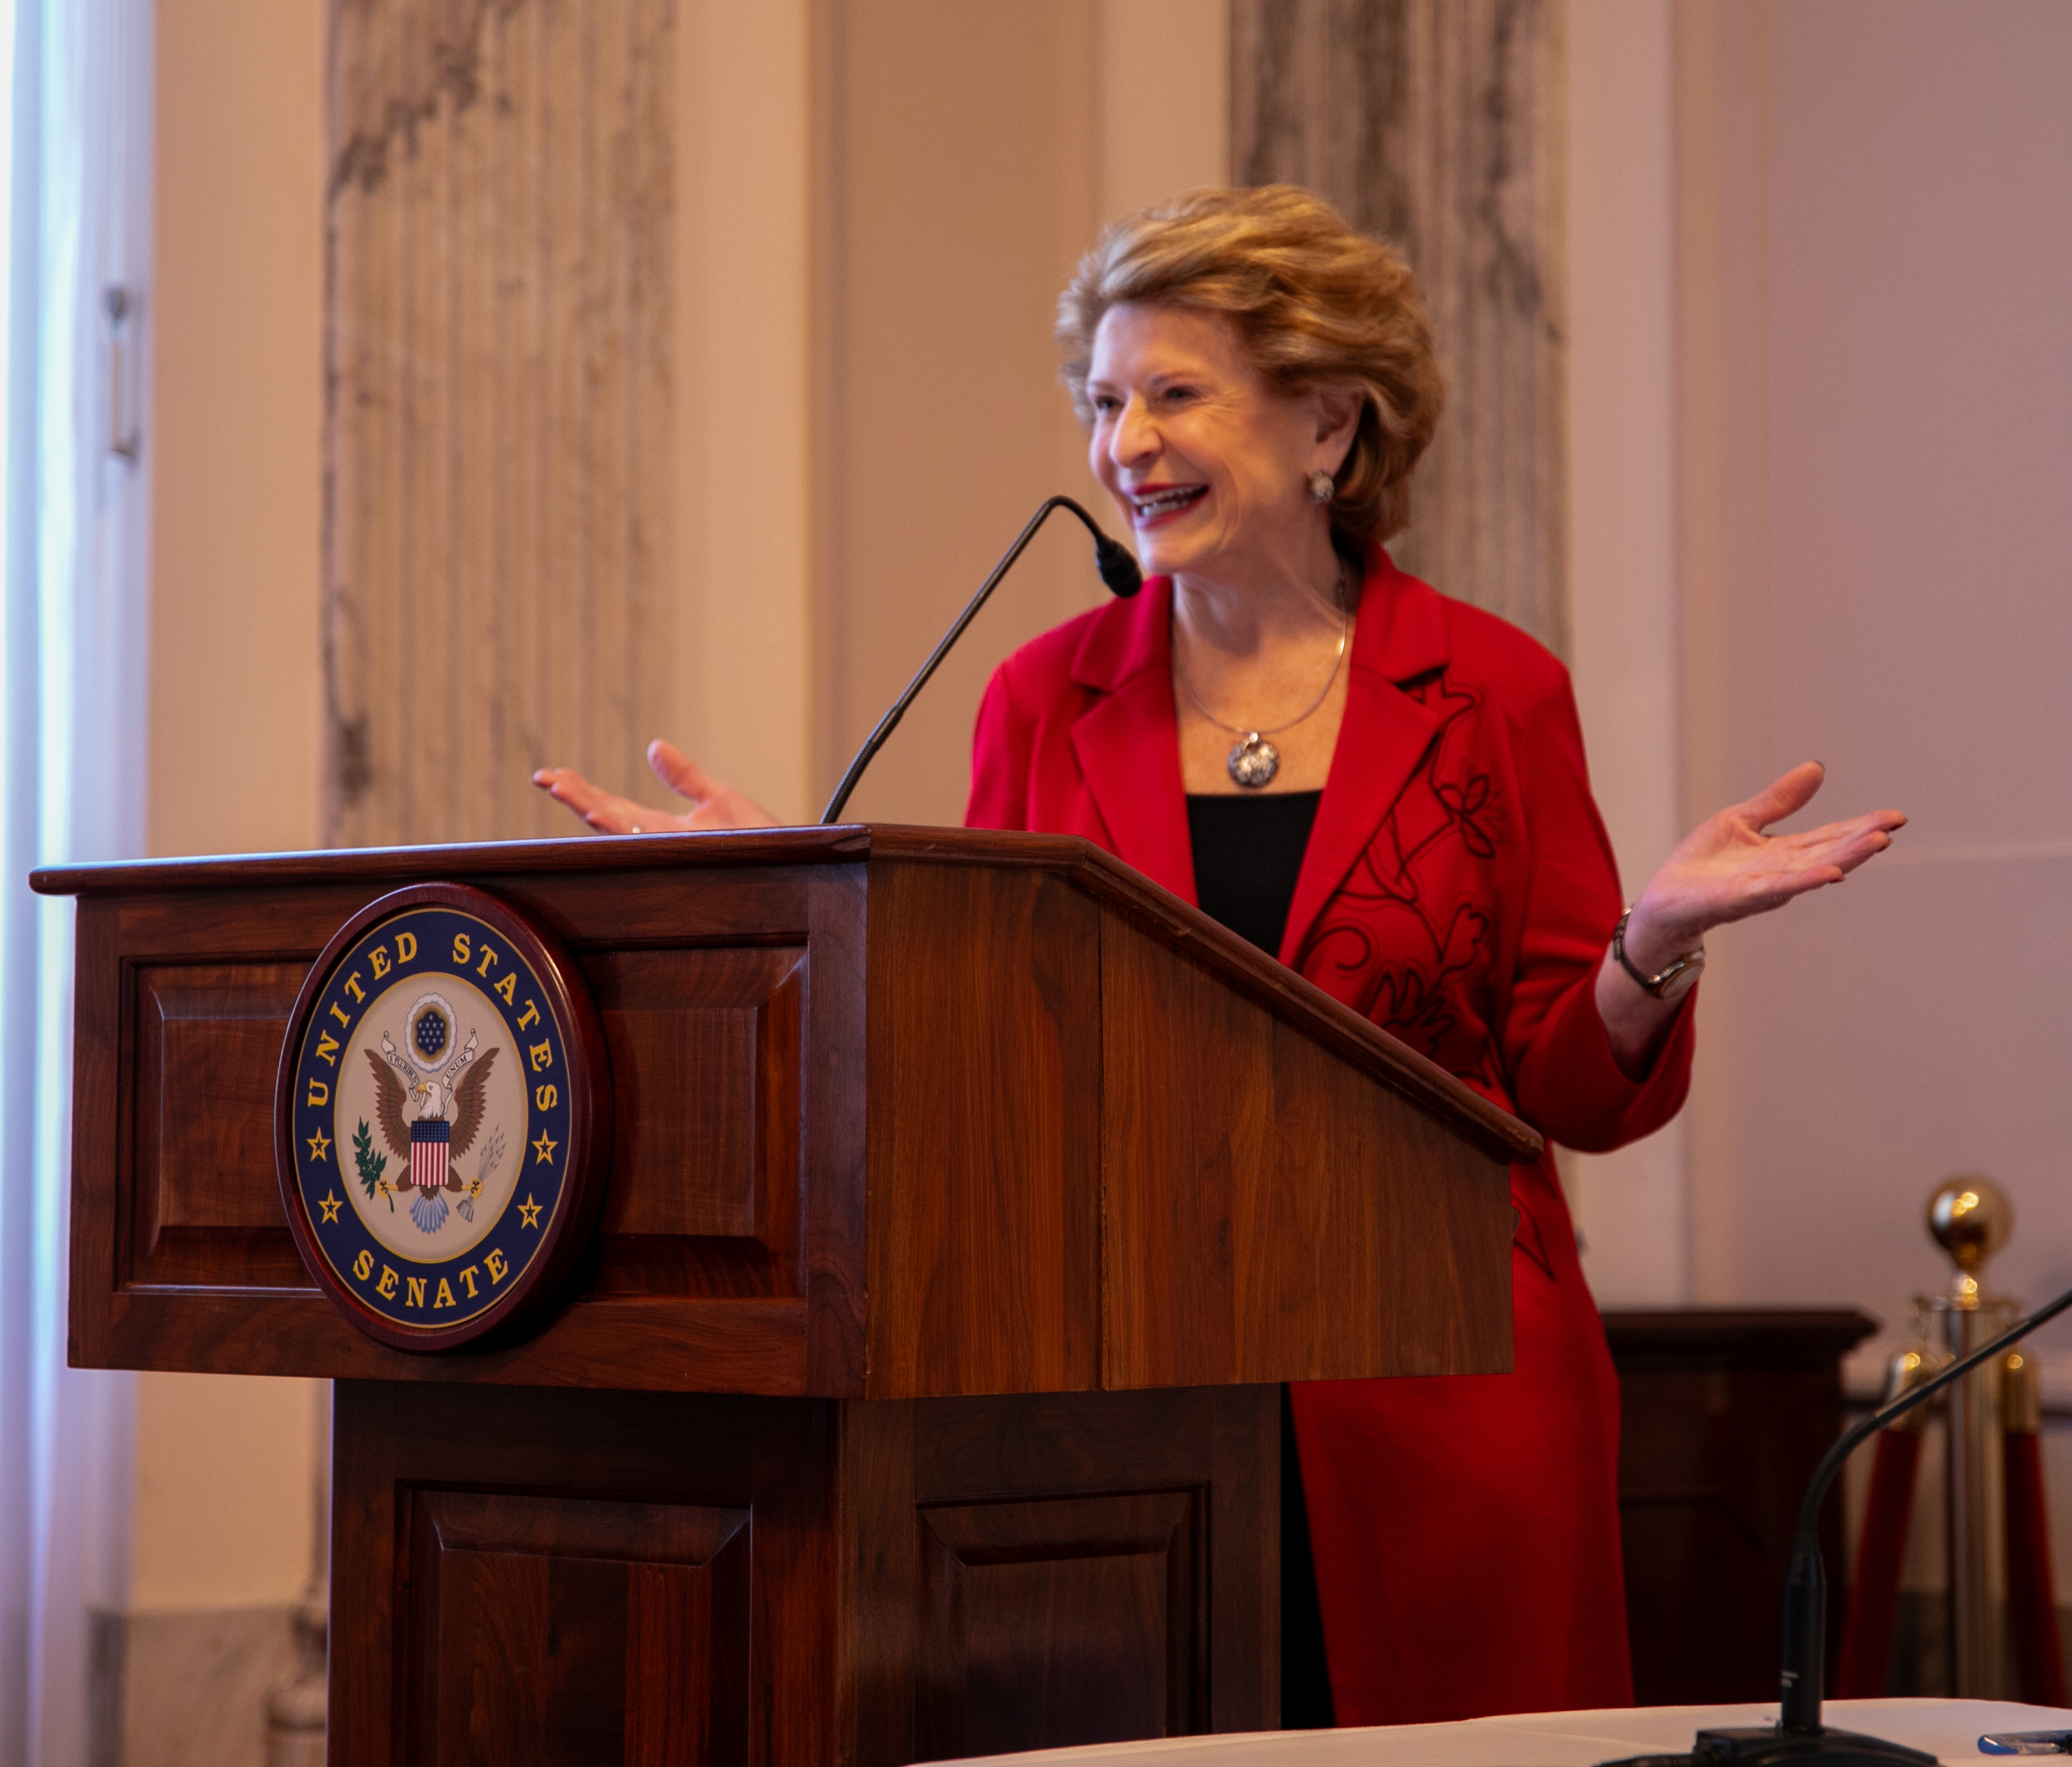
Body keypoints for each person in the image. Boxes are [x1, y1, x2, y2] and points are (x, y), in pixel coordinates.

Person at [533, 184, 1904, 1724]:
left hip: (1440, 1387)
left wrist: (1651, 942)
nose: (1126, 444)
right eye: (1105, 402)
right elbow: (987, 1046)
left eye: (1176, 394)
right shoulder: (1038, 698)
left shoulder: (1493, 693)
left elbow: (1572, 1093)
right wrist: (801, 901)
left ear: (1330, 423)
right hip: (1119, 1390)